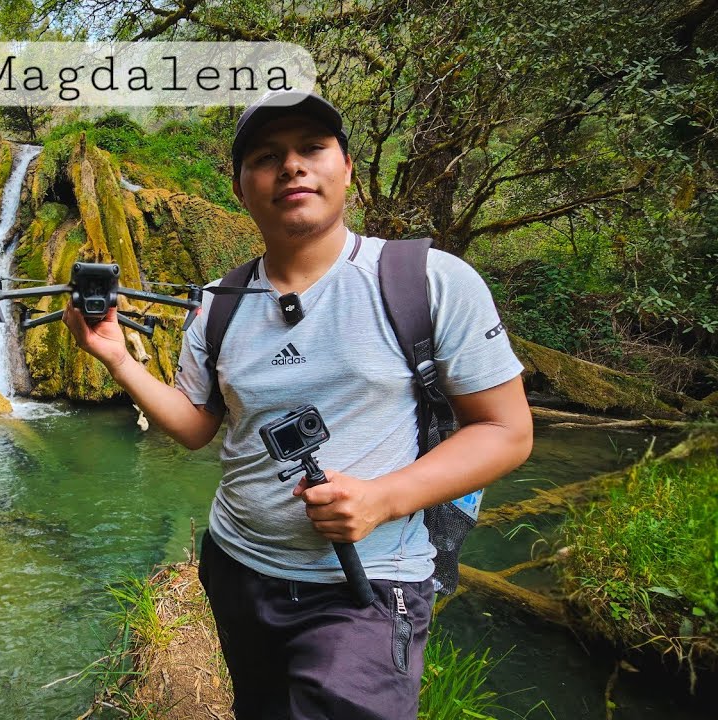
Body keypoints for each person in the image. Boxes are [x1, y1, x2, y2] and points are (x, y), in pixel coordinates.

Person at [62, 90, 533, 719]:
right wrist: (117, 357)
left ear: (347, 169)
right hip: (237, 567)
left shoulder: (429, 281)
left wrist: (381, 499)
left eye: (311, 148)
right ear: (240, 186)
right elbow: (198, 427)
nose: (291, 166)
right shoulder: (219, 306)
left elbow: (506, 430)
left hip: (367, 582)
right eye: (266, 155)